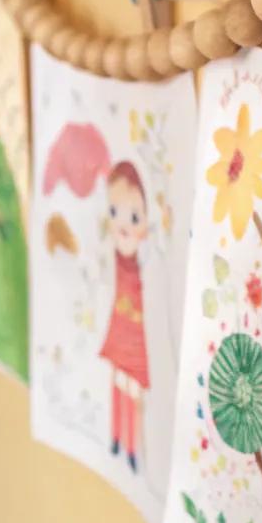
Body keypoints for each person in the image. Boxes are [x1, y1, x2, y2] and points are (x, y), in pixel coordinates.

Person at [99, 161, 150, 471]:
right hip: (120, 329)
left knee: (132, 389)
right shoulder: (113, 256)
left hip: (136, 335)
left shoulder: (145, 262)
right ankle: (117, 436)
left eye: (134, 217)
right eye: (115, 213)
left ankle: (131, 445)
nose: (123, 226)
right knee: (116, 384)